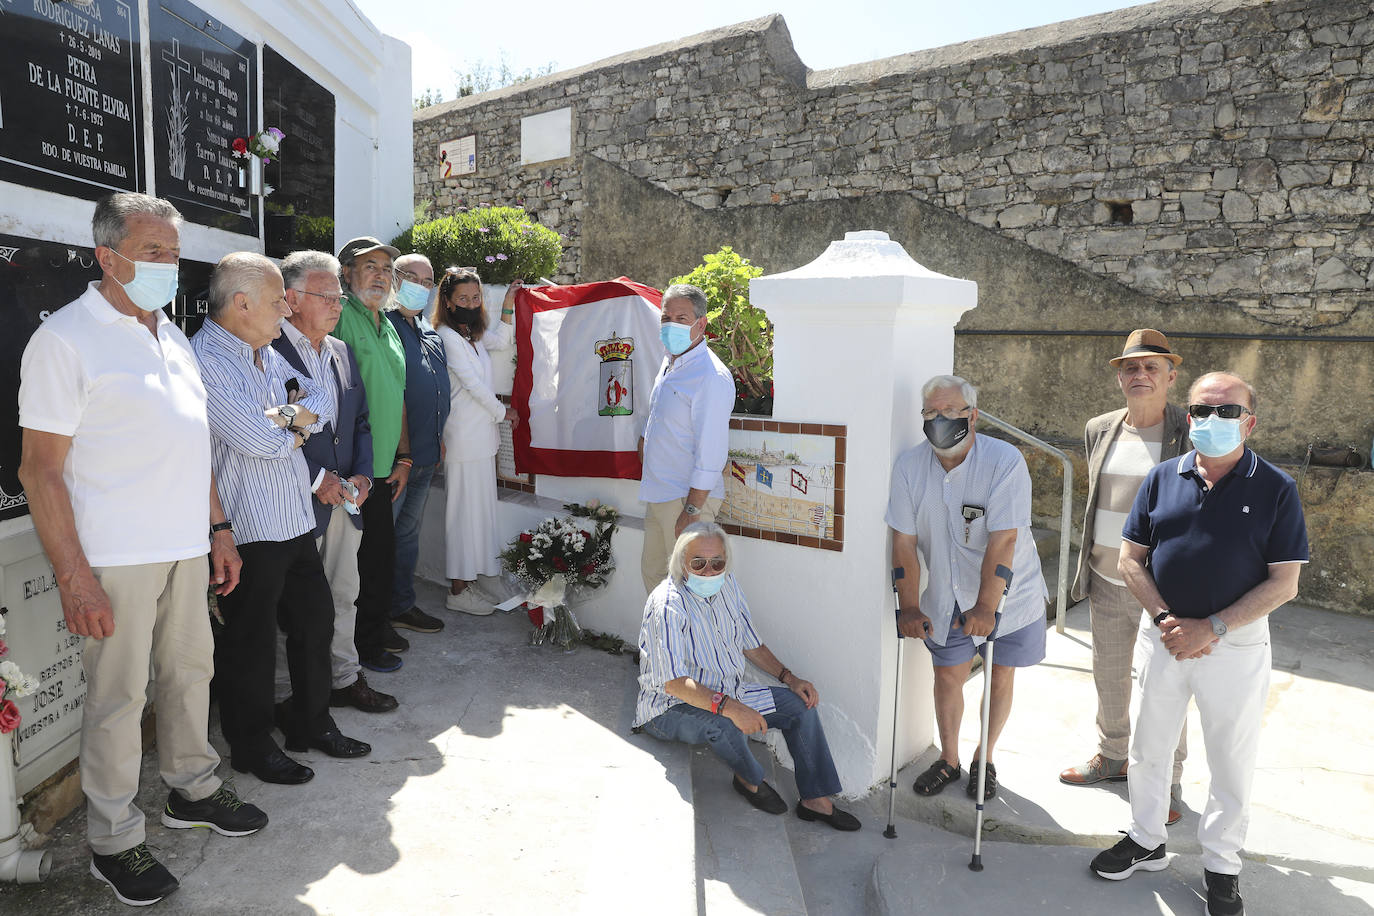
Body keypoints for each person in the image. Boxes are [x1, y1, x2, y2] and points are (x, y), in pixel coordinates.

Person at [18, 193, 266, 907]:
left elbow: (193, 443)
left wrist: (217, 529)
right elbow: (41, 470)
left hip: (187, 546)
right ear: (108, 256)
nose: (169, 266)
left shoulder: (174, 335)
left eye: (173, 253)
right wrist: (74, 576)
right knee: (119, 699)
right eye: (153, 252)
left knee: (191, 676)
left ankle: (192, 789)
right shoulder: (65, 340)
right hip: (114, 559)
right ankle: (114, 839)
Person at [1090, 372, 1307, 916]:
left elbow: (1285, 582)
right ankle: (1146, 840)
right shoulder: (1163, 477)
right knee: (1148, 748)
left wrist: (1213, 627)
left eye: (1227, 412)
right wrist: (1166, 620)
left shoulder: (1276, 488)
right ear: (1188, 418)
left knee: (1231, 759)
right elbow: (1129, 559)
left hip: (1232, 646)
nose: (1213, 421)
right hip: (1163, 636)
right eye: (1202, 411)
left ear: (1250, 422)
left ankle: (1223, 866)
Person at [192, 252, 370, 787]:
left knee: (315, 624)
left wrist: (283, 423)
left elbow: (319, 399)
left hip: (292, 516)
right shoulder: (207, 358)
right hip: (247, 529)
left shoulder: (265, 351)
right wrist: (290, 426)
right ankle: (250, 746)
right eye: (276, 302)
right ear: (242, 303)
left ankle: (310, 723)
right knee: (250, 642)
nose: (284, 311)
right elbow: (258, 440)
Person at [634, 523, 861, 831]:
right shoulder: (668, 605)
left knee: (799, 706)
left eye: (718, 562)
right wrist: (731, 707)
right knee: (725, 723)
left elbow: (751, 645)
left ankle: (815, 799)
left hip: (729, 691)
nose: (710, 571)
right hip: (669, 706)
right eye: (698, 562)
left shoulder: (729, 586)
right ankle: (749, 780)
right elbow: (673, 683)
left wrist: (789, 678)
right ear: (681, 564)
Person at [886, 375, 1048, 801]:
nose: (938, 420)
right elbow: (902, 541)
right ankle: (950, 760)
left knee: (998, 674)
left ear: (972, 416)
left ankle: (985, 757)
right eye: (930, 414)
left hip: (1006, 595)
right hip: (946, 594)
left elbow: (1004, 539)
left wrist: (986, 606)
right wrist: (907, 606)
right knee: (947, 676)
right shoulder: (909, 467)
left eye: (949, 412)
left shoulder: (1004, 461)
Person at [1061, 329, 1190, 827]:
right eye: (1130, 368)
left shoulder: (1188, 430)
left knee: (1167, 683)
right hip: (1107, 573)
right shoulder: (1100, 428)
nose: (1140, 375)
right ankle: (1113, 756)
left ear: (1171, 377)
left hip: (1165, 585)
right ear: (1119, 377)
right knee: (1109, 675)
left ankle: (1168, 780)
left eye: (1151, 368)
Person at [271, 250, 398, 715]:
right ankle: (287, 696)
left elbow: (359, 421)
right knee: (293, 609)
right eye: (326, 295)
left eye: (338, 297)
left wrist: (363, 475)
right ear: (291, 299)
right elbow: (274, 429)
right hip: (295, 502)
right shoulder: (268, 351)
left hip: (345, 499)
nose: (336, 305)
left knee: (345, 593)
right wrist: (316, 479)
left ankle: (344, 678)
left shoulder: (340, 351)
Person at [334, 237, 410, 669]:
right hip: (352, 469)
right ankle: (361, 647)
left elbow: (395, 395)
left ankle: (376, 630)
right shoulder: (343, 316)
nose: (381, 274)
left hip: (383, 468)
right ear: (347, 274)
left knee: (380, 558)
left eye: (386, 268)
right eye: (370, 266)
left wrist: (404, 457)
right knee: (354, 568)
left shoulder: (389, 324)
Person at [431, 267, 519, 614]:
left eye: (476, 297)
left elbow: (502, 340)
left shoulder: (471, 333)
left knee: (481, 514)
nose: (470, 302)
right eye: (463, 298)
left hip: (481, 440)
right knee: (462, 517)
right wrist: (503, 413)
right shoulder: (446, 336)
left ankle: (483, 577)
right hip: (463, 440)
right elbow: (471, 383)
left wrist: (507, 305)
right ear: (448, 302)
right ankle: (458, 590)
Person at [637, 283, 735, 592]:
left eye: (681, 319)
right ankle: (662, 642)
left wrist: (691, 511)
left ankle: (695, 643)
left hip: (687, 501)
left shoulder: (710, 376)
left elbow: (712, 452)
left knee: (690, 588)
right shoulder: (670, 361)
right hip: (660, 493)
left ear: (701, 323)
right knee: (655, 582)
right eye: (666, 318)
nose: (671, 326)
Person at [386, 253, 450, 634]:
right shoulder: (385, 327)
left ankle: (401, 605)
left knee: (408, 536)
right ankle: (376, 614)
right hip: (398, 460)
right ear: (395, 279)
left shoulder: (427, 329)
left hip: (427, 455)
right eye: (411, 277)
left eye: (427, 282)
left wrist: (439, 440)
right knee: (385, 538)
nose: (420, 286)